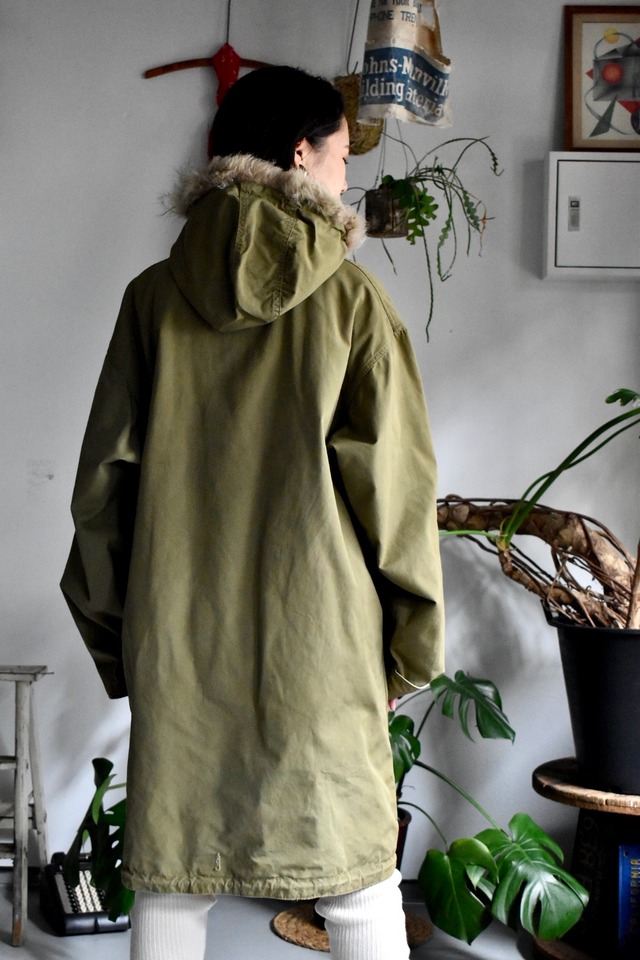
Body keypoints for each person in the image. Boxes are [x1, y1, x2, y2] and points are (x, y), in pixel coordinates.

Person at [61, 65, 444, 960]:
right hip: (321, 646)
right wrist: (410, 648)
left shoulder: (152, 300)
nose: (346, 177)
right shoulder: (353, 303)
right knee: (357, 881)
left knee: (174, 873)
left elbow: (102, 493)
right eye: (343, 156)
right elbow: (397, 498)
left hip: (179, 637)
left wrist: (124, 643)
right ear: (301, 154)